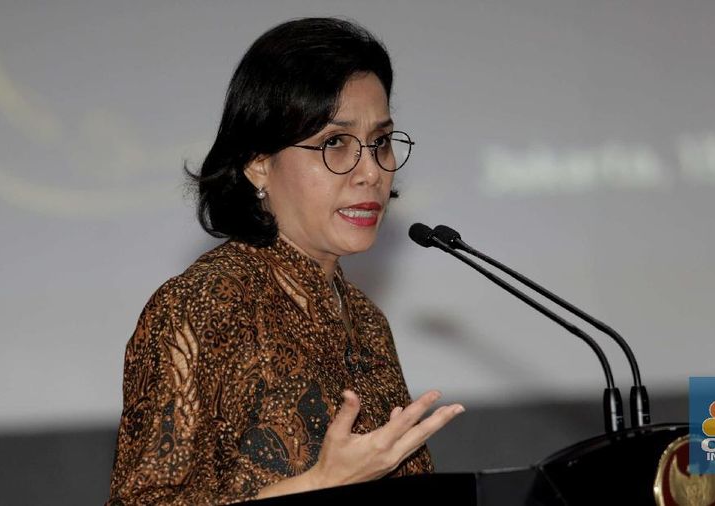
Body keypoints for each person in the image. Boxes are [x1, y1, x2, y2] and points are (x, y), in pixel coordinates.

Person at [106, 17, 464, 504]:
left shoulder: (366, 321)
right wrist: (317, 484)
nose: (370, 172)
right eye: (335, 143)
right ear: (258, 162)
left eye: (380, 142)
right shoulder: (201, 305)